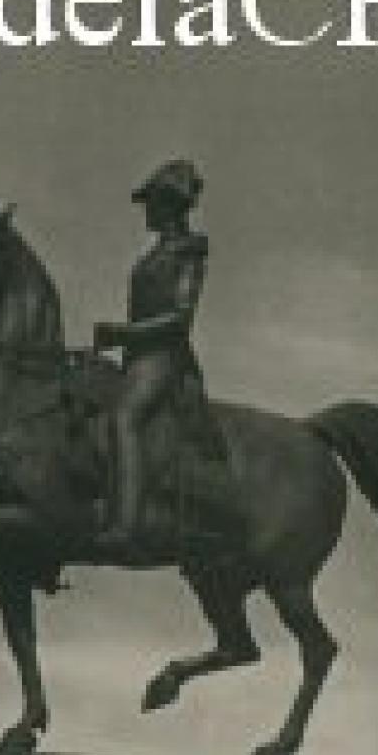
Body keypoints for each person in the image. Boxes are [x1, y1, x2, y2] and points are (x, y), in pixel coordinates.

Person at [93, 158, 209, 545]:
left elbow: (179, 319)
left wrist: (123, 333)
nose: (147, 211)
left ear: (170, 205)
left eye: (152, 203)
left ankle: (125, 524)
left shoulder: (188, 252)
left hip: (164, 358)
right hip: (138, 357)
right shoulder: (155, 253)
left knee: (123, 416)